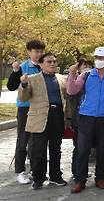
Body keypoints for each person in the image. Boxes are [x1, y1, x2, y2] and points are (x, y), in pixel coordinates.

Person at [67, 46, 104, 193]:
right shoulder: (86, 75)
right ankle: (80, 180)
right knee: (82, 149)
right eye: (97, 58)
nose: (99, 61)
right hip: (86, 117)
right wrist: (72, 74)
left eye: (103, 58)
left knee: (102, 150)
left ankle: (100, 179)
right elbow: (72, 90)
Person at [18, 52, 69, 189]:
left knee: (55, 149)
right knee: (38, 151)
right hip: (39, 118)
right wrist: (23, 84)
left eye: (54, 61)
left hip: (57, 116)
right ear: (41, 64)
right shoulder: (32, 79)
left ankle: (55, 176)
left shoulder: (61, 78)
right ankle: (39, 178)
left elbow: (66, 97)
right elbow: (23, 98)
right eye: (49, 62)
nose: (52, 64)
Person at [6, 39, 45, 185]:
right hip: (25, 108)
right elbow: (11, 86)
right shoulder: (22, 67)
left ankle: (37, 171)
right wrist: (16, 72)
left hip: (40, 107)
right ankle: (20, 171)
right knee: (23, 139)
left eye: (41, 51)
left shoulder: (45, 65)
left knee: (37, 141)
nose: (39, 54)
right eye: (36, 51)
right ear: (29, 52)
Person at [65, 58, 91, 178]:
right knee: (79, 146)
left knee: (86, 146)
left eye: (88, 65)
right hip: (77, 118)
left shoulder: (91, 79)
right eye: (84, 65)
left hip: (88, 118)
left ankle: (82, 171)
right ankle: (77, 171)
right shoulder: (74, 80)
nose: (86, 67)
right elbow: (70, 94)